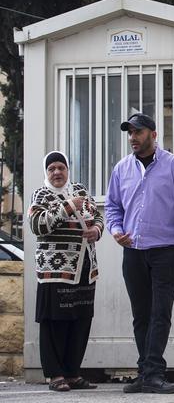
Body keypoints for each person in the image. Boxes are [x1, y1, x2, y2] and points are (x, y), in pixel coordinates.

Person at [105, 113, 174, 395]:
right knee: (140, 315)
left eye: (138, 132)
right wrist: (115, 230)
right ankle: (145, 372)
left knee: (160, 313)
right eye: (130, 133)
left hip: (166, 251)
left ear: (153, 135)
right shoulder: (121, 169)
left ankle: (155, 372)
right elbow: (112, 207)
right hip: (133, 252)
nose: (133, 137)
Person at [28, 151, 103, 392]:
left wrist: (97, 231)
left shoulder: (80, 190)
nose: (57, 172)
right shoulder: (41, 195)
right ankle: (55, 375)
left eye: (61, 168)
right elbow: (38, 225)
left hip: (84, 268)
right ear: (46, 173)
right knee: (55, 322)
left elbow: (98, 217)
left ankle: (72, 373)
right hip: (55, 271)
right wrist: (67, 207)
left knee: (80, 320)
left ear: (68, 170)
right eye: (52, 169)